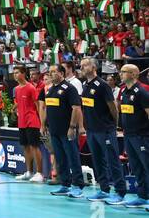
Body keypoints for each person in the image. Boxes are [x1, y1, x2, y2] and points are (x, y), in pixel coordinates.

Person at [78, 57, 123, 204]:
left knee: (112, 161)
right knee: (98, 161)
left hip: (105, 130)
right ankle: (104, 189)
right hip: (92, 130)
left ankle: (120, 192)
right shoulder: (85, 85)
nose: (82, 67)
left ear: (94, 67)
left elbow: (113, 108)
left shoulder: (103, 85)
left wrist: (114, 126)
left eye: (85, 65)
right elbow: (85, 108)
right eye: (81, 65)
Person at [42, 67, 84, 197]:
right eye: (50, 72)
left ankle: (78, 186)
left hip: (67, 131)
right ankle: (65, 185)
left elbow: (76, 108)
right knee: (60, 159)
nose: (51, 74)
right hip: (54, 131)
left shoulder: (69, 88)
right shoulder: (50, 90)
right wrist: (43, 124)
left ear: (61, 73)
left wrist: (72, 127)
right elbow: (47, 108)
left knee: (73, 157)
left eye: (54, 71)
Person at [116, 65, 149, 209]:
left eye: (124, 72)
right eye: (121, 71)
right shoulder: (123, 91)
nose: (120, 74)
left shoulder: (142, 92)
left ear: (134, 74)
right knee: (136, 167)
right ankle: (142, 196)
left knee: (146, 166)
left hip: (141, 136)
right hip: (128, 135)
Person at [10, 66, 44, 182]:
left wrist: (41, 122)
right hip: (22, 122)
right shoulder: (17, 89)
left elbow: (38, 104)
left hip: (32, 121)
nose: (15, 75)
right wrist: (14, 109)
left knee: (35, 147)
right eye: (14, 73)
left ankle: (40, 173)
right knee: (25, 147)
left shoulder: (31, 88)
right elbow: (19, 104)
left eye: (17, 73)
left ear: (23, 73)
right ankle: (29, 172)